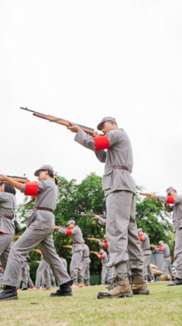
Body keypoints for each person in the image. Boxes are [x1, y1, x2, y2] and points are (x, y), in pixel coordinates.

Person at [70, 117, 148, 298]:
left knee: (114, 230)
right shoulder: (119, 138)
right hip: (124, 183)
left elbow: (97, 144)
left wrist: (79, 132)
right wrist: (93, 137)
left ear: (112, 123)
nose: (103, 131)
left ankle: (121, 281)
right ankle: (138, 280)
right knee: (129, 232)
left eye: (103, 127)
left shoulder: (116, 133)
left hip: (117, 183)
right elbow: (102, 155)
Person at [0, 165, 73, 301]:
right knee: (50, 256)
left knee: (16, 250)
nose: (37, 176)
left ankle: (10, 288)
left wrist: (7, 179)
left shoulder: (46, 183)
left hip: (41, 220)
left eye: (39, 173)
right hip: (47, 220)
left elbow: (25, 189)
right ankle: (65, 285)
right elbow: (30, 189)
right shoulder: (51, 185)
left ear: (46, 172)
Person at [143, 187, 182, 285]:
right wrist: (165, 203)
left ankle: (178, 277)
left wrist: (157, 197)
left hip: (180, 227)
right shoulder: (175, 203)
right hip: (179, 227)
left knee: (179, 250)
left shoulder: (179, 198)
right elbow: (168, 210)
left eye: (169, 194)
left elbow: (172, 200)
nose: (169, 196)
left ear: (174, 192)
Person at [57, 220, 86, 288]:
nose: (68, 226)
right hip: (77, 248)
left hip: (77, 248)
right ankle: (81, 282)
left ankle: (74, 283)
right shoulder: (76, 229)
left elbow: (68, 232)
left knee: (73, 267)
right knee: (78, 267)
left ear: (73, 224)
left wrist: (58, 228)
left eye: (69, 225)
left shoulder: (76, 229)